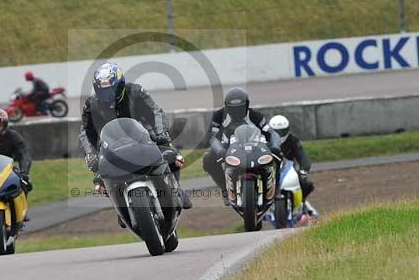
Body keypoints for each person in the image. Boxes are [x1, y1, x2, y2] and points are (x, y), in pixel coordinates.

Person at [78, 60, 192, 216]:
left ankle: (176, 189)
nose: (108, 95)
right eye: (103, 91)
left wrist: (160, 132)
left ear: (121, 85)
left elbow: (155, 112)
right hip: (111, 144)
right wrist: (91, 154)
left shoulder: (136, 92)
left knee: (172, 154)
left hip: (143, 136)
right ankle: (121, 207)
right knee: (100, 175)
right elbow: (85, 131)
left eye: (112, 89)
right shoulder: (91, 104)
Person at [202, 87, 282, 206]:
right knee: (208, 159)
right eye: (233, 108)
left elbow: (271, 132)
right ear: (226, 106)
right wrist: (219, 150)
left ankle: (274, 188)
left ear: (247, 105)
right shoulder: (219, 116)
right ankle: (225, 189)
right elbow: (212, 137)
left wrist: (275, 145)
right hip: (228, 147)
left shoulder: (255, 115)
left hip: (256, 145)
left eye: (240, 108)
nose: (237, 112)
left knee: (278, 155)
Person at [267, 115, 315, 201]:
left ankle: (301, 202)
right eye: (276, 132)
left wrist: (303, 170)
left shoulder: (293, 140)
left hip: (288, 169)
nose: (279, 135)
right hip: (269, 168)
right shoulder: (265, 140)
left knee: (306, 184)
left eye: (282, 131)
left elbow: (302, 157)